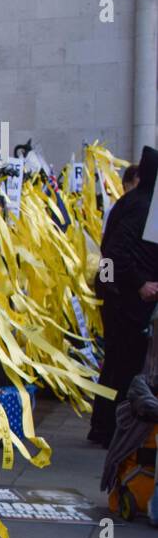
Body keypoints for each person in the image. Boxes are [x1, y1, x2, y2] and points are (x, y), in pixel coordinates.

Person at [89, 146, 158, 445]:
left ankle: (102, 427)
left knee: (116, 363)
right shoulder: (142, 206)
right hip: (128, 300)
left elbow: (107, 252)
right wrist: (138, 283)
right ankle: (110, 430)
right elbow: (115, 250)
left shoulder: (132, 202)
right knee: (124, 366)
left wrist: (106, 287)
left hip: (118, 296)